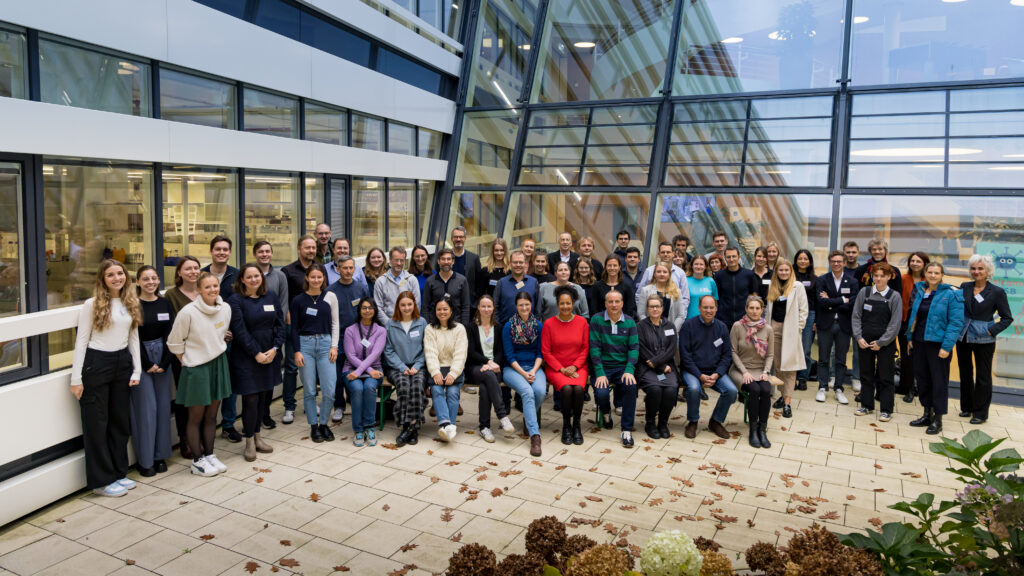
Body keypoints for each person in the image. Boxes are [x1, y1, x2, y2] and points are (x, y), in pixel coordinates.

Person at [70, 260, 143, 496]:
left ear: (126, 276)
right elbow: (81, 341)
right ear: (102, 279)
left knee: (119, 422)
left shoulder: (130, 302)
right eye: (110, 275)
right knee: (97, 425)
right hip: (97, 364)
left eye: (120, 273)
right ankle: (101, 481)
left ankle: (118, 472)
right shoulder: (91, 305)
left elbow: (133, 338)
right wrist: (76, 378)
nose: (116, 278)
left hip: (122, 364)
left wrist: (137, 370)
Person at [167, 272, 232, 477]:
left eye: (215, 286)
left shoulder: (225, 308)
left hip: (218, 363)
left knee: (213, 415)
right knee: (196, 416)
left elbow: (220, 334)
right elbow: (174, 343)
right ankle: (197, 460)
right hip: (196, 367)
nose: (213, 290)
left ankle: (210, 454)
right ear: (198, 290)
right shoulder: (188, 312)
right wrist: (188, 362)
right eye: (207, 287)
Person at [227, 263, 284, 461]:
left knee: (263, 399)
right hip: (246, 357)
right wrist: (256, 353)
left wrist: (275, 348)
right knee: (250, 400)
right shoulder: (235, 300)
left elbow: (280, 324)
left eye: (257, 276)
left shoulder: (271, 297)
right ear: (242, 279)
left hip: (270, 355)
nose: (254, 280)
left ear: (262, 277)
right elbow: (239, 331)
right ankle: (249, 441)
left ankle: (259, 437)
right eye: (249, 277)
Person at [906, 262, 964, 435]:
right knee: (922, 380)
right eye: (930, 272)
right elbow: (913, 316)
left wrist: (947, 346)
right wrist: (910, 337)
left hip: (938, 345)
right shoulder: (920, 290)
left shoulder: (951, 294)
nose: (932, 275)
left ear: (942, 275)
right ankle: (927, 414)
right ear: (925, 273)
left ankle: (938, 420)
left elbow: (956, 323)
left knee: (938, 382)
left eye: (936, 273)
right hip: (919, 341)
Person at [958, 254, 1012, 425]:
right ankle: (966, 407)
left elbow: (1007, 318)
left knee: (983, 376)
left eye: (980, 268)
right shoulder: (964, 287)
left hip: (984, 339)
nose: (976, 271)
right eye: (973, 268)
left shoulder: (997, 292)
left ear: (988, 271)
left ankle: (980, 413)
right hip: (964, 336)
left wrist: (991, 330)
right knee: (965, 373)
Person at [290, 263, 340, 443]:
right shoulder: (298, 300)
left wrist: (334, 346)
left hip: (326, 344)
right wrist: (297, 351)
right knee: (310, 389)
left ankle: (324, 423)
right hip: (305, 346)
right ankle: (314, 426)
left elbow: (335, 323)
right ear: (307, 278)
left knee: (329, 390)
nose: (316, 280)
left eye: (320, 277)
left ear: (324, 279)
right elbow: (294, 328)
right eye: (313, 277)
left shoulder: (331, 296)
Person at [132, 265, 173, 476]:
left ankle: (160, 455)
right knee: (146, 410)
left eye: (154, 278)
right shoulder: (132, 305)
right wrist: (147, 363)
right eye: (146, 279)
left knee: (163, 407)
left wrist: (165, 361)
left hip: (163, 358)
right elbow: (133, 337)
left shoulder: (165, 303)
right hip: (141, 359)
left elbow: (171, 334)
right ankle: (145, 460)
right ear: (137, 282)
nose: (150, 282)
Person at [679, 296, 736, 440]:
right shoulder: (688, 326)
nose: (708, 310)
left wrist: (717, 374)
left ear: (716, 309)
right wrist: (700, 375)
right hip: (692, 371)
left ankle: (716, 421)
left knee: (731, 390)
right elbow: (685, 356)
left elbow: (727, 355)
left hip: (715, 371)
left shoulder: (722, 327)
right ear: (699, 308)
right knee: (693, 389)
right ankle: (692, 421)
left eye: (712, 307)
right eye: (705, 307)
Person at [851, 263, 902, 423]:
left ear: (889, 277)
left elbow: (895, 324)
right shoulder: (864, 292)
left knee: (885, 377)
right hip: (864, 341)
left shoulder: (894, 297)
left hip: (885, 344)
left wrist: (881, 342)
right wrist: (859, 337)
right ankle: (867, 405)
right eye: (876, 275)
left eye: (882, 276)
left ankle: (886, 410)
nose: (878, 279)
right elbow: (856, 316)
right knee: (866, 374)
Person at [202, 235, 241, 442]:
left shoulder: (237, 275)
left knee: (230, 384)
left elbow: (240, 306)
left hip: (232, 339)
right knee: (209, 384)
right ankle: (205, 425)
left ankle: (228, 424)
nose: (222, 252)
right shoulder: (201, 275)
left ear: (230, 252)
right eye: (218, 249)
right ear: (211, 251)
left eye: (225, 249)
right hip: (207, 340)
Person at [589, 290, 640, 448]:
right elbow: (594, 348)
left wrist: (629, 370)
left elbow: (634, 348)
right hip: (603, 367)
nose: (614, 305)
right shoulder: (597, 320)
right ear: (605, 304)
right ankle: (606, 413)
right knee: (602, 393)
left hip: (622, 368)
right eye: (610, 302)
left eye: (617, 301)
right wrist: (599, 373)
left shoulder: (630, 322)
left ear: (622, 303)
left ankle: (626, 430)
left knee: (631, 387)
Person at [542, 286, 590, 448]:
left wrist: (575, 367)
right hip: (556, 367)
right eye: (562, 303)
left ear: (573, 303)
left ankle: (576, 426)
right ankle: (566, 425)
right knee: (567, 389)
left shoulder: (582, 322)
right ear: (557, 304)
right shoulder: (549, 324)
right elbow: (546, 352)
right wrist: (562, 369)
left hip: (578, 367)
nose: (565, 307)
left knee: (578, 390)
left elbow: (585, 348)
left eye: (568, 303)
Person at [279, 235, 320, 424]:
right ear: (299, 249)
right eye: (307, 247)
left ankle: (311, 403)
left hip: (314, 326)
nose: (311, 251)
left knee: (311, 367)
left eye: (313, 247)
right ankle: (289, 406)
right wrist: (287, 317)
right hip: (294, 326)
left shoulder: (319, 269)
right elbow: (283, 298)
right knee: (291, 367)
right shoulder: (287, 271)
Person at [165, 256, 201, 457]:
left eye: (196, 268)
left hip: (205, 354)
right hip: (184, 357)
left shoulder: (204, 292)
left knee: (202, 398)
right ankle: (185, 439)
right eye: (188, 269)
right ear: (179, 272)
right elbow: (173, 329)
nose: (193, 272)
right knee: (185, 398)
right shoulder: (171, 295)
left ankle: (200, 436)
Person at [327, 255, 370, 423]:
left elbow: (367, 311)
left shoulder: (361, 288)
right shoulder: (331, 290)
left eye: (351, 268)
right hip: (338, 337)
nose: (348, 271)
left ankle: (355, 401)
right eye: (344, 268)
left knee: (356, 371)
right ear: (338, 269)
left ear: (355, 269)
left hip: (358, 337)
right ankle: (339, 405)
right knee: (337, 374)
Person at [466, 295, 514, 443]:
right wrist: (487, 362)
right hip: (475, 367)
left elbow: (501, 351)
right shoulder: (471, 327)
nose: (486, 309)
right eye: (483, 306)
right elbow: (471, 352)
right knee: (487, 375)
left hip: (495, 368)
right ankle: (502, 415)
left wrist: (493, 363)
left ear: (493, 308)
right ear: (478, 308)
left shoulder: (498, 327)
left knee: (485, 388)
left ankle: (484, 428)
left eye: (489, 306)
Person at [503, 292, 547, 455]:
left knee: (540, 392)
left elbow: (540, 353)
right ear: (516, 306)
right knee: (528, 392)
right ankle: (535, 436)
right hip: (513, 368)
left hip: (534, 366)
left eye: (527, 304)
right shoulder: (509, 326)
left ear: (531, 305)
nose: (524, 307)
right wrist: (523, 373)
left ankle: (528, 419)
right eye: (521, 305)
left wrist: (533, 371)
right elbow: (509, 355)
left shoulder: (538, 326)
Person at [730, 295, 775, 449]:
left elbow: (770, 355)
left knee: (766, 389)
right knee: (754, 390)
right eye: (751, 308)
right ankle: (753, 430)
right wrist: (744, 372)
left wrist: (766, 372)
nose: (754, 311)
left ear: (762, 310)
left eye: (757, 308)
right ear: (746, 309)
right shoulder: (737, 326)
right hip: (740, 369)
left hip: (760, 369)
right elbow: (733, 352)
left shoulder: (768, 329)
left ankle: (762, 430)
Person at [766, 259, 808, 419]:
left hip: (790, 330)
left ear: (791, 271)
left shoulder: (798, 287)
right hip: (774, 327)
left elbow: (804, 310)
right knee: (777, 365)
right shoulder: (773, 286)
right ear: (776, 272)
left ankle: (788, 402)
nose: (783, 273)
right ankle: (783, 396)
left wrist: (798, 329)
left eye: (786, 270)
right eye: (780, 270)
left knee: (789, 367)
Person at [385, 291, 428, 447]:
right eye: (403, 305)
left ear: (414, 305)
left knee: (416, 386)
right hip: (397, 367)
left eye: (409, 304)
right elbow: (388, 350)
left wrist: (417, 366)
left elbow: (427, 348)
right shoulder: (391, 323)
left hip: (418, 366)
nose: (406, 308)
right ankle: (408, 426)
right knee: (403, 387)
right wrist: (402, 367)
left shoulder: (421, 322)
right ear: (398, 306)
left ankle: (411, 428)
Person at [343, 298, 386, 447]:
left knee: (368, 387)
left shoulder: (381, 331)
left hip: (375, 370)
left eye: (370, 308)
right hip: (351, 369)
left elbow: (375, 354)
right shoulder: (350, 330)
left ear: (375, 310)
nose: (367, 311)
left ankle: (369, 427)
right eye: (364, 308)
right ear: (359, 310)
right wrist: (363, 370)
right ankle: (358, 430)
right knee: (357, 388)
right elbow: (350, 355)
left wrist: (365, 371)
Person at [814, 250, 856, 405]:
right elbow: (821, 302)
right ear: (830, 262)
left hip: (844, 326)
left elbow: (852, 304)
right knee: (823, 358)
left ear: (844, 263)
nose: (836, 264)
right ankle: (822, 387)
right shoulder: (822, 280)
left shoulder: (852, 282)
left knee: (841, 359)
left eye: (839, 261)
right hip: (826, 324)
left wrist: (832, 300)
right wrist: (842, 300)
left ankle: (839, 388)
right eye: (834, 261)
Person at [425, 298, 468, 442]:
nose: (442, 312)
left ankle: (448, 427)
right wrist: (435, 372)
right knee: (436, 390)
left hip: (454, 368)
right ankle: (446, 425)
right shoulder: (430, 328)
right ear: (435, 311)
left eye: (445, 309)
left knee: (453, 392)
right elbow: (430, 353)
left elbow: (461, 354)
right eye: (439, 309)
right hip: (436, 368)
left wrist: (453, 373)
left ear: (451, 310)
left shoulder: (459, 328)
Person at [636, 294, 679, 440]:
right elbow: (642, 349)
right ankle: (650, 423)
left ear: (662, 308)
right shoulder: (640, 326)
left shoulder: (670, 326)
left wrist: (659, 363)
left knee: (671, 390)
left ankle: (663, 423)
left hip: (667, 366)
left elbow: (672, 349)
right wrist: (660, 366)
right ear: (647, 309)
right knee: (655, 390)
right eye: (651, 306)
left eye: (657, 306)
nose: (655, 309)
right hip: (647, 367)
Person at [899, 252, 929, 403]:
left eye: (918, 261)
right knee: (907, 357)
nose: (915, 263)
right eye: (912, 261)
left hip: (922, 323)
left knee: (920, 357)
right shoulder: (903, 278)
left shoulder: (929, 280)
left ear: (925, 263)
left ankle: (919, 386)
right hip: (905, 321)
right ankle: (908, 388)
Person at [374, 246, 421, 325]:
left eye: (402, 260)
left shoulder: (412, 280)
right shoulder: (380, 282)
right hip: (388, 326)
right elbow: (378, 307)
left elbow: (417, 304)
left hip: (408, 324)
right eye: (396, 260)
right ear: (390, 260)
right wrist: (390, 324)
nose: (399, 263)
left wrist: (408, 323)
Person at [424, 248, 472, 325]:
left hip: (456, 325)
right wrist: (428, 325)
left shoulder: (462, 280)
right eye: (443, 259)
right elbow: (425, 307)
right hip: (436, 326)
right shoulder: (430, 281)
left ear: (453, 261)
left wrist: (464, 327)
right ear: (438, 261)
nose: (446, 262)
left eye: (448, 259)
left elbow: (465, 306)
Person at [714, 246, 759, 326]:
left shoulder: (749, 274)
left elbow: (754, 295)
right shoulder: (719, 275)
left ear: (739, 257)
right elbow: (717, 297)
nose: (731, 259)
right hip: (724, 320)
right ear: (725, 258)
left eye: (734, 256)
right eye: (728, 257)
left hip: (744, 319)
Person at [637, 262, 687, 331]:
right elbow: (641, 313)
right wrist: (649, 328)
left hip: (670, 331)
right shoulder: (645, 290)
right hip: (650, 331)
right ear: (654, 274)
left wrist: (673, 329)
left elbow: (681, 315)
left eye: (665, 272)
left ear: (669, 274)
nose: (662, 274)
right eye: (659, 272)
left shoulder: (677, 292)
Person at [793, 249, 817, 391]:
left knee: (805, 349)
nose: (802, 261)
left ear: (809, 261)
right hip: (791, 314)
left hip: (809, 315)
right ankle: (791, 377)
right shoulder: (789, 276)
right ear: (796, 260)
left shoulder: (815, 279)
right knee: (791, 348)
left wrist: (816, 321)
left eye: (805, 259)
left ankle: (803, 378)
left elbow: (816, 301)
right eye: (800, 258)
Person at [494, 250, 539, 324]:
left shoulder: (533, 282)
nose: (518, 265)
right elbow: (495, 306)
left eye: (521, 262)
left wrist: (534, 325)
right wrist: (498, 326)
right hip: (506, 329)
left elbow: (538, 308)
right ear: (510, 264)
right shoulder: (501, 283)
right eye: (515, 262)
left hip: (529, 329)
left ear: (525, 264)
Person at [592, 254, 636, 319]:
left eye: (615, 265)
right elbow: (594, 308)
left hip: (622, 323)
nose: (612, 268)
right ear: (606, 267)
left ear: (619, 267)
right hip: (601, 322)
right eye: (609, 265)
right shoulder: (597, 286)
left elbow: (630, 308)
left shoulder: (627, 286)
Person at [449, 226, 482, 303]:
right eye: (455, 237)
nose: (458, 239)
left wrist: (475, 303)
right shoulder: (444, 257)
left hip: (468, 303)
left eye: (461, 237)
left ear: (465, 239)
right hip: (449, 302)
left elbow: (479, 283)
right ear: (451, 239)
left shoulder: (474, 258)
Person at [685, 255, 718, 320]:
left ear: (705, 266)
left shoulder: (710, 281)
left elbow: (715, 301)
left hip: (707, 320)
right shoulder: (685, 280)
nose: (698, 266)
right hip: (689, 320)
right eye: (696, 264)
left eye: (701, 264)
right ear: (691, 266)